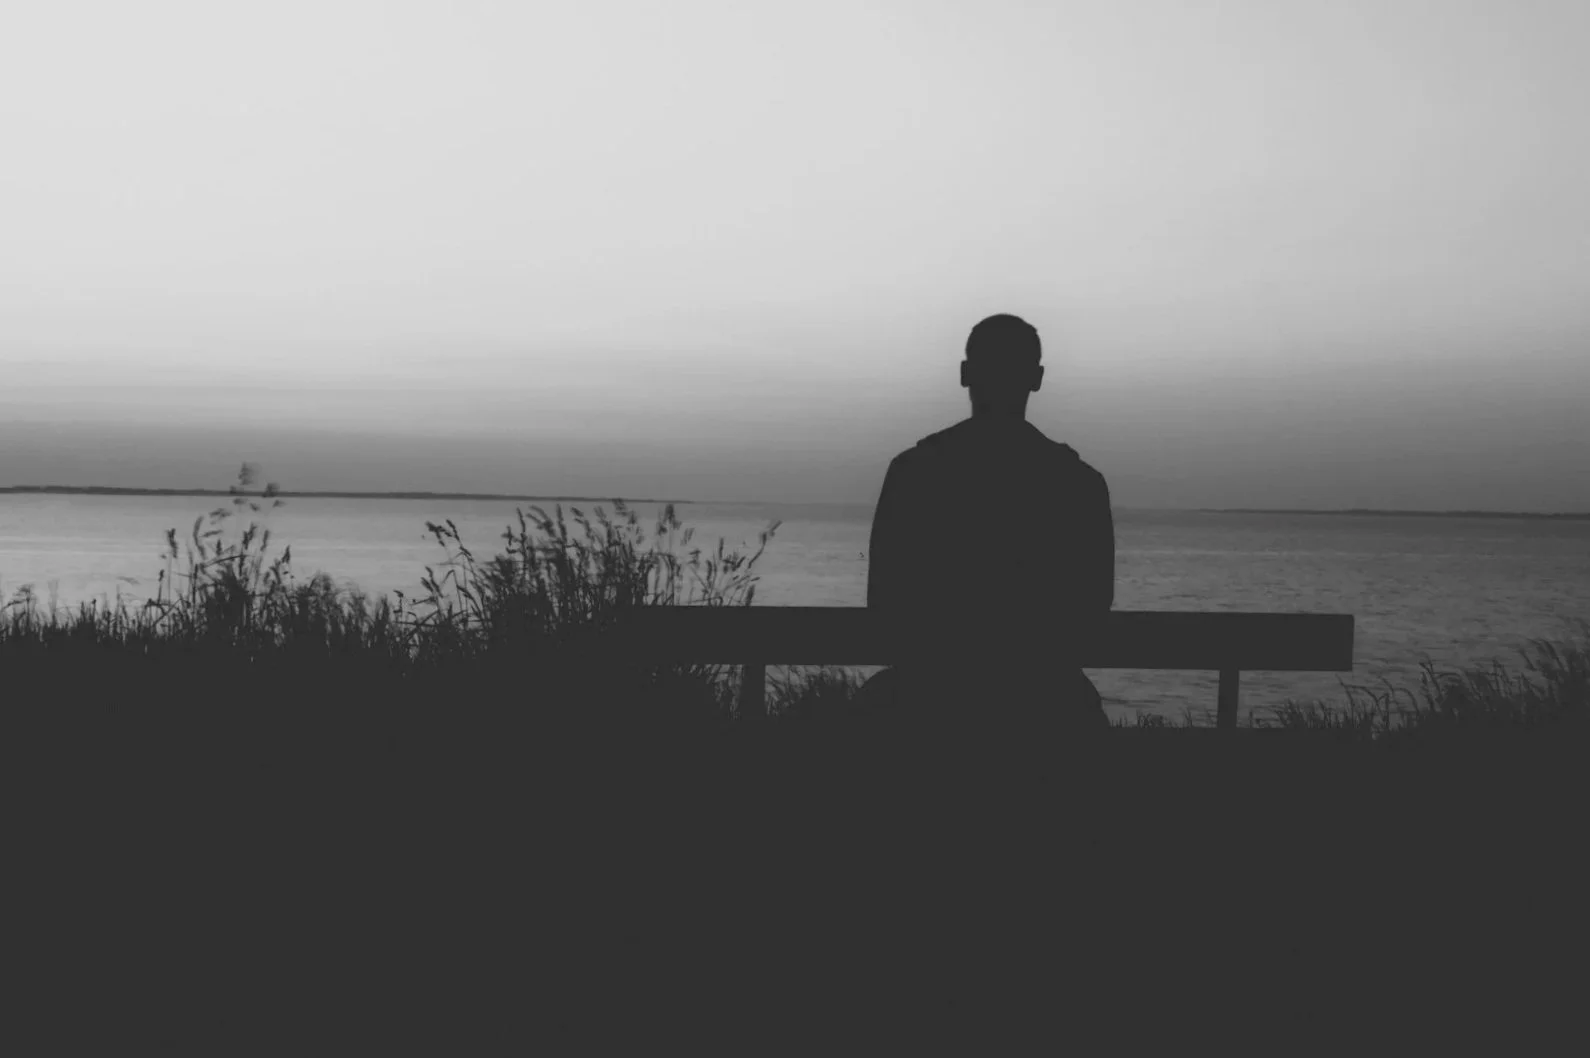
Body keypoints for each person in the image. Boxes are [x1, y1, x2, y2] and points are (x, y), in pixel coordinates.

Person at [862, 314, 1114, 736]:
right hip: (1048, 705)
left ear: (965, 374)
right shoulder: (1079, 482)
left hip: (926, 701)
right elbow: (1092, 610)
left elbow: (884, 604)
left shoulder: (913, 472)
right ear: (1036, 379)